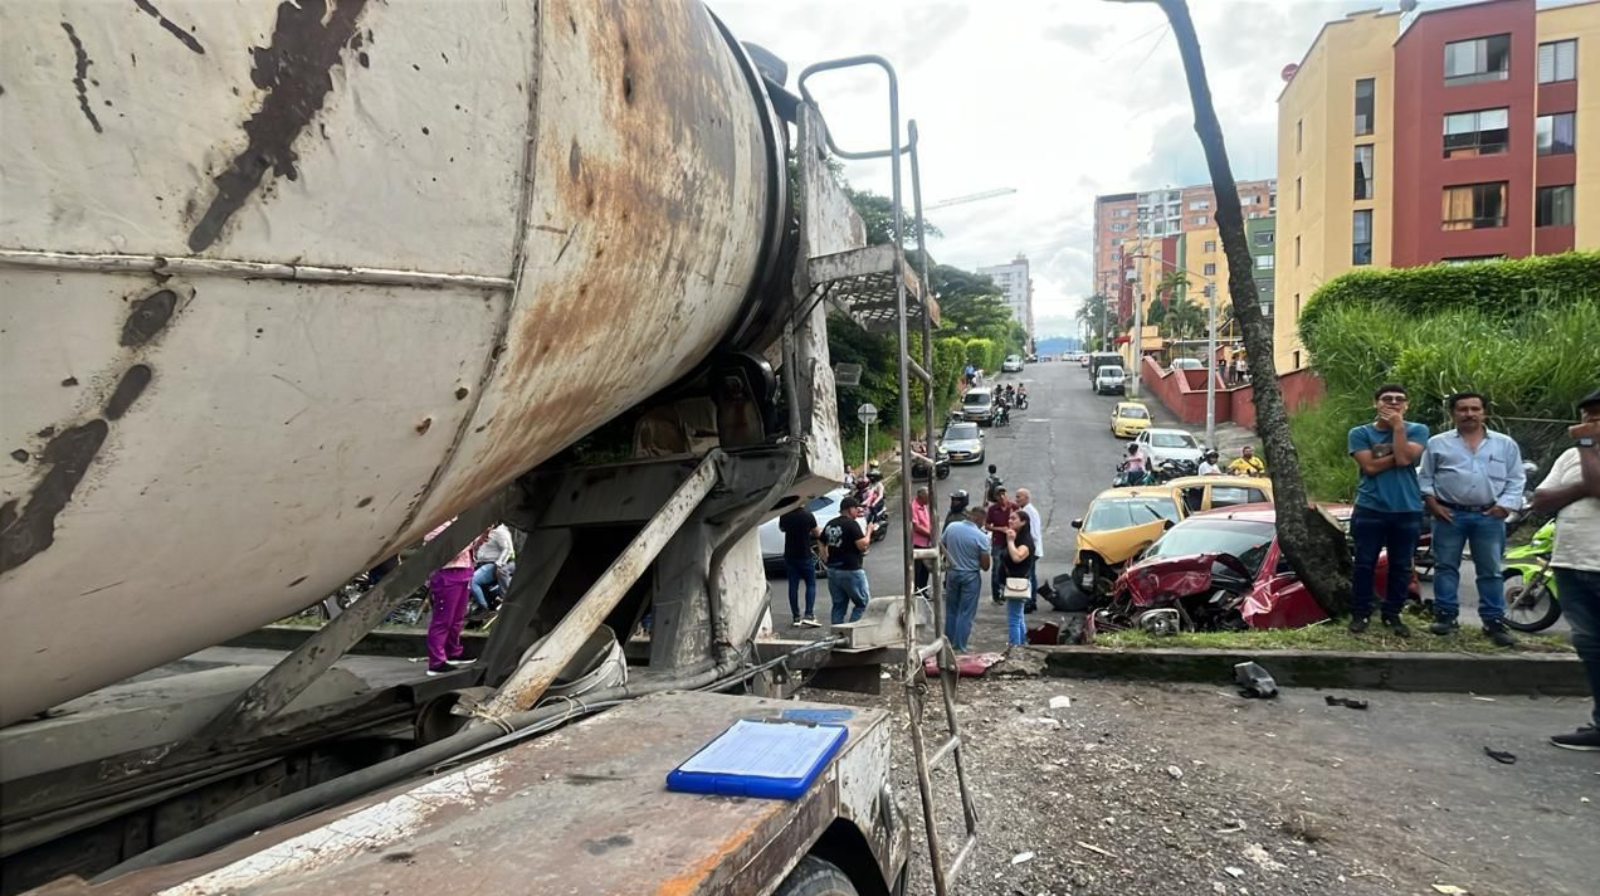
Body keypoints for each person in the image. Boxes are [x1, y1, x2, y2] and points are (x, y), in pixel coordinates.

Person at [1418, 392, 1526, 646]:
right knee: (1445, 567)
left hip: (1489, 516)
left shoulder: (1505, 444)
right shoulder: (1437, 443)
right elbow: (1425, 478)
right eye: (1463, 409)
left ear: (1484, 412)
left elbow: (1516, 479)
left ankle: (1494, 622)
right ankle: (1446, 616)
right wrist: (1433, 505)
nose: (1469, 414)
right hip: (1448, 514)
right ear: (1453, 413)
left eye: (1475, 409)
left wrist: (1505, 506)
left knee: (1490, 571)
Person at [1531, 387, 1600, 751]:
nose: (1591, 420)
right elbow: (1541, 500)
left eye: (1598, 414)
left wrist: (1587, 446)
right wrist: (1584, 485)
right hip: (1570, 561)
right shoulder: (1570, 456)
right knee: (1590, 647)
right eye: (1587, 414)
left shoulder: (1582, 449)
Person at [1347, 383, 1430, 637]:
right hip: (1370, 507)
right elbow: (1370, 468)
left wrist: (1398, 428)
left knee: (1401, 565)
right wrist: (1400, 452)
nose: (1393, 403)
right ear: (1376, 403)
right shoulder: (1359, 433)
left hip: (1407, 508)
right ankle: (1360, 613)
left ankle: (1392, 614)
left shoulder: (1418, 430)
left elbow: (1404, 460)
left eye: (1399, 399)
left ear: (1406, 405)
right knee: (1364, 563)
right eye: (1387, 399)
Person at [422, 519, 478, 676]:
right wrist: (470, 537)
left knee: (457, 619)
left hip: (464, 572)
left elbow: (470, 547)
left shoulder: (458, 523)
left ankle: (453, 651)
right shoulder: (436, 526)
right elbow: (450, 551)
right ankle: (436, 662)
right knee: (443, 620)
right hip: (446, 574)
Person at [941, 507, 992, 652]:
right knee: (966, 612)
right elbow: (986, 566)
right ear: (979, 519)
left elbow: (942, 546)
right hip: (970, 576)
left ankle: (948, 643)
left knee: (951, 610)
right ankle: (960, 645)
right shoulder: (981, 537)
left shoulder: (952, 527)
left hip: (952, 573)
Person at [821, 495, 874, 625]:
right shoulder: (851, 524)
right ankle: (851, 630)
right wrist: (869, 531)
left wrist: (824, 556)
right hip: (851, 570)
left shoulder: (831, 523)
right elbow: (862, 545)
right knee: (862, 604)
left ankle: (836, 632)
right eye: (856, 508)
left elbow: (821, 540)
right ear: (850, 509)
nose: (858, 511)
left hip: (833, 570)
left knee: (838, 605)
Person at [778, 503, 822, 627]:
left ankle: (796, 616)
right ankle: (809, 614)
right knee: (810, 584)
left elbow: (782, 529)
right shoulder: (808, 515)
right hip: (805, 554)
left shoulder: (784, 515)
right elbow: (817, 533)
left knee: (793, 585)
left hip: (790, 554)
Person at [1000, 508, 1037, 645]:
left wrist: (1010, 541)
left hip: (1018, 583)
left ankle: (1014, 647)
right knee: (1018, 617)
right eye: (1009, 518)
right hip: (1012, 581)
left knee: (1014, 619)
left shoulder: (1025, 542)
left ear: (1023, 522)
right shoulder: (1018, 538)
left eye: (1014, 518)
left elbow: (1017, 558)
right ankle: (1021, 644)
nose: (1010, 521)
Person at [469, 523, 516, 612]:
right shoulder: (485, 531)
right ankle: (488, 606)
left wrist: (499, 564)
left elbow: (507, 550)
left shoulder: (500, 532)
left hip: (492, 563)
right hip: (480, 563)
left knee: (472, 581)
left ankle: (484, 608)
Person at [986, 486, 1016, 604]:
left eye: (1004, 494)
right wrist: (999, 529)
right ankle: (996, 595)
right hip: (998, 542)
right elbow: (987, 525)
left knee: (1010, 567)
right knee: (997, 568)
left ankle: (1007, 591)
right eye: (999, 495)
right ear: (996, 497)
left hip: (1010, 541)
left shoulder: (1013, 507)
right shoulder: (993, 509)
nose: (1002, 497)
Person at [1015, 487, 1044, 612]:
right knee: (1031, 574)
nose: (1016, 499)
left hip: (1030, 549)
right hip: (1031, 548)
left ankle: (1029, 602)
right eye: (1016, 497)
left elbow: (1034, 533)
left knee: (1027, 576)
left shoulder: (1028, 512)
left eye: (1019, 497)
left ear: (1026, 498)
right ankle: (1032, 601)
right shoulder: (1026, 510)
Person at [911, 486, 934, 593]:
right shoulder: (913, 507)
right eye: (927, 497)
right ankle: (917, 590)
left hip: (926, 542)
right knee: (918, 569)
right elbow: (916, 526)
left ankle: (923, 590)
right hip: (918, 543)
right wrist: (930, 534)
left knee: (926, 568)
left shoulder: (923, 506)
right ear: (921, 496)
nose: (929, 499)